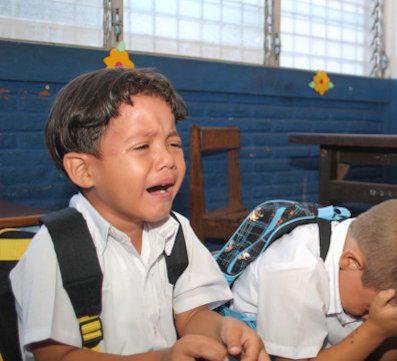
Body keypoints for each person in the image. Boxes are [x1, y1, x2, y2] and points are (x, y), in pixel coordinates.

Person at [10, 68, 268, 361]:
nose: (168, 159)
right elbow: (56, 356)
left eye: (173, 144)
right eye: (142, 146)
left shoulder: (176, 231)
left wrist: (223, 329)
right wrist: (162, 358)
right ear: (84, 169)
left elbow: (192, 315)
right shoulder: (58, 247)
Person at [231, 199, 397, 361]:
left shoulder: (369, 252)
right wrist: (376, 330)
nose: (378, 315)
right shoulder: (297, 271)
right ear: (351, 262)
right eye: (369, 309)